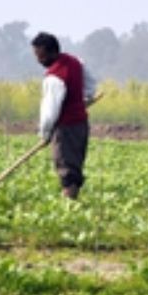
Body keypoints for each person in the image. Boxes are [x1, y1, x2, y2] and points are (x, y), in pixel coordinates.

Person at [31, 32, 97, 200]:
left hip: (65, 127)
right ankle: (72, 203)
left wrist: (44, 134)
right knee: (74, 165)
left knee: (66, 168)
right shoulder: (76, 62)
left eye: (41, 56)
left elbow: (50, 111)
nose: (39, 61)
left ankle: (69, 205)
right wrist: (84, 99)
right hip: (81, 124)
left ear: (52, 52)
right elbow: (90, 86)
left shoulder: (54, 77)